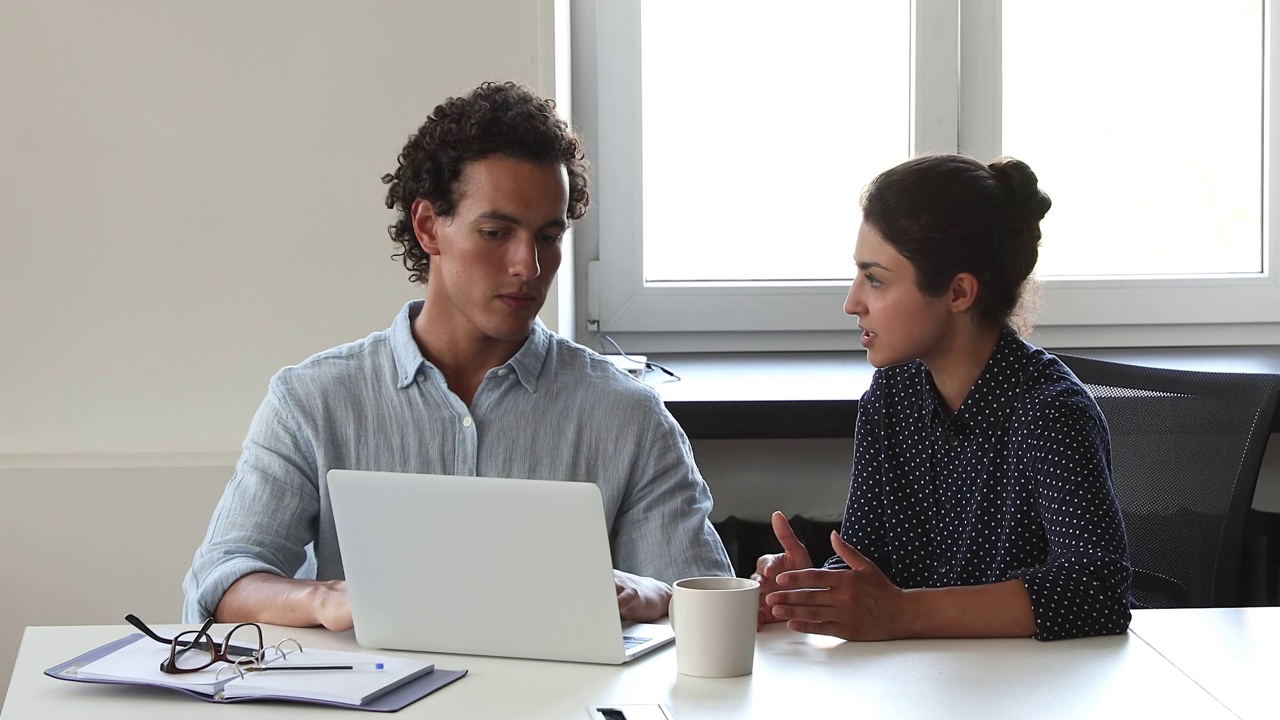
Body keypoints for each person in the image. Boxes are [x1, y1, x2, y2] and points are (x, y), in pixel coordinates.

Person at [182, 81, 732, 630]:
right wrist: (326, 600)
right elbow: (222, 581)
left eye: (548, 236)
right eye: (496, 232)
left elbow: (701, 606)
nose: (528, 266)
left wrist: (656, 592)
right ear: (428, 227)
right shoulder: (314, 401)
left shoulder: (626, 415)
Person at [753, 154, 1131, 642]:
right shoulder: (891, 397)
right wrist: (810, 590)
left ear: (958, 292)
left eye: (875, 279)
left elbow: (1097, 592)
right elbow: (871, 566)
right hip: (920, 683)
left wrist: (901, 614)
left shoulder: (1051, 411)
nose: (852, 302)